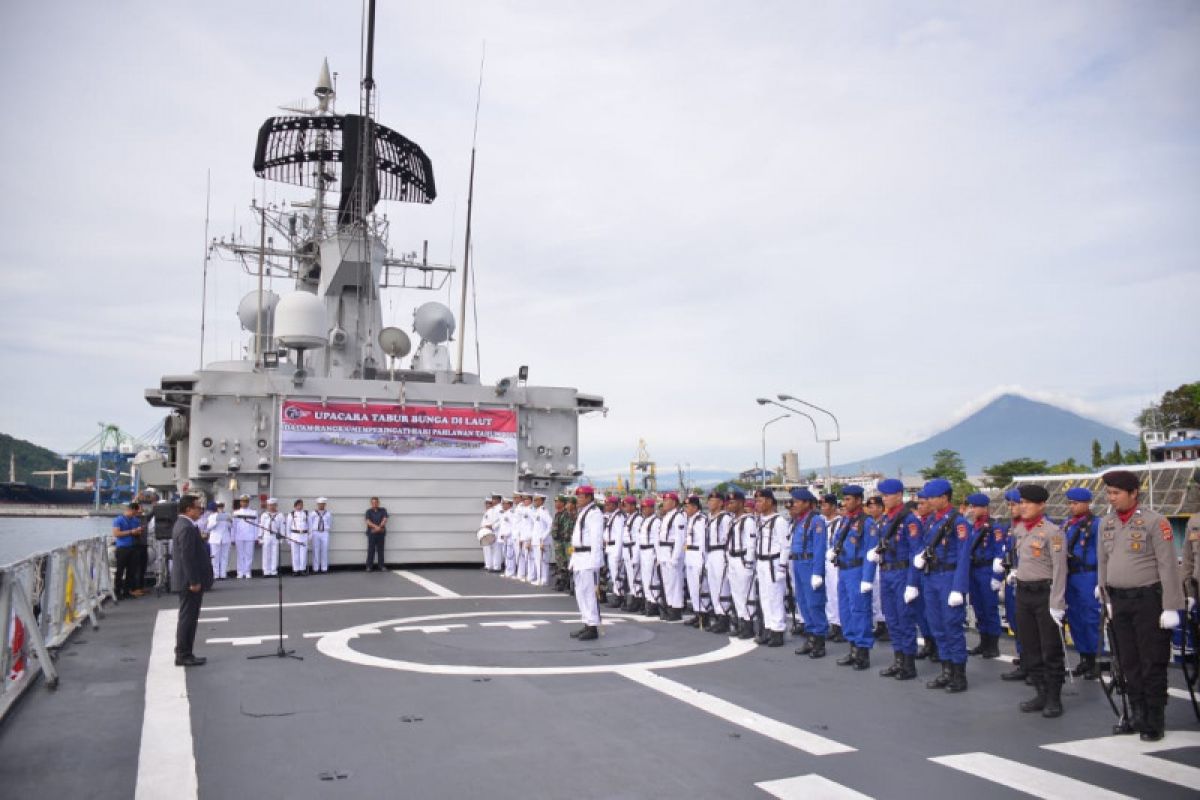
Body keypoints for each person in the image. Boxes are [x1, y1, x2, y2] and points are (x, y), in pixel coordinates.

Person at [1098, 469, 1184, 741]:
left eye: (1116, 493)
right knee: (1127, 661)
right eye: (1109, 493)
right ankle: (1135, 713)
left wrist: (1171, 606)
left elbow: (1168, 566)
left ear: (1134, 493)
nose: (1111, 498)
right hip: (1119, 601)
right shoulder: (1107, 523)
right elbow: (1104, 562)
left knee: (1152, 661)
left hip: (1148, 601)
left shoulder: (1155, 522)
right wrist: (1106, 597)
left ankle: (1154, 719)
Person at [1010, 484, 1068, 718]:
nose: (1022, 506)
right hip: (1023, 593)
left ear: (1042, 505)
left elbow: (1060, 570)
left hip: (1045, 594)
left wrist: (1057, 603)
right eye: (1021, 502)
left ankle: (1054, 698)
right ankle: (1040, 692)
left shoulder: (1053, 532)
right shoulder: (1021, 530)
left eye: (1028, 502)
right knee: (1030, 646)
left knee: (1050, 648)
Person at [911, 479, 970, 693]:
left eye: (932, 497)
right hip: (931, 576)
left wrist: (958, 588)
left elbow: (964, 557)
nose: (927, 501)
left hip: (948, 577)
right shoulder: (931, 521)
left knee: (952, 626)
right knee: (936, 625)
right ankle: (946, 670)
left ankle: (958, 674)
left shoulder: (958, 522)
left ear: (944, 497)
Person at [869, 479, 922, 680]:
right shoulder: (885, 520)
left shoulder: (909, 520)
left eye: (887, 495)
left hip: (902, 572)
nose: (884, 499)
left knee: (904, 618)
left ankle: (908, 663)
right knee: (891, 618)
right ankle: (898, 659)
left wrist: (912, 583)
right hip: (886, 571)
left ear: (899, 495)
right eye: (882, 495)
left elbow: (916, 553)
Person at [828, 485, 877, 669]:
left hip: (857, 570)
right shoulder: (844, 521)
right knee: (845, 611)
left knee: (860, 611)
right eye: (845, 499)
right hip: (844, 569)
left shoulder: (867, 522)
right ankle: (853, 648)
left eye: (849, 499)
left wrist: (867, 578)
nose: (845, 502)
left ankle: (863, 652)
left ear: (858, 500)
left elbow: (871, 551)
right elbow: (838, 541)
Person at [1062, 487, 1102, 679]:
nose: (1072, 506)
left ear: (1087, 503)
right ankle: (1084, 658)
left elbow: (1104, 554)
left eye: (1076, 503)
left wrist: (1101, 581)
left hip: (1088, 575)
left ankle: (1095, 660)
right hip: (1071, 575)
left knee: (1090, 618)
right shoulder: (1067, 525)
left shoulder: (1096, 524)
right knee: (1075, 618)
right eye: (1070, 503)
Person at [171, 494, 213, 667]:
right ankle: (183, 654)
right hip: (189, 582)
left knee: (188, 618)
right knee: (188, 618)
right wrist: (194, 581)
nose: (200, 511)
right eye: (198, 508)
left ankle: (186, 652)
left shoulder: (185, 525)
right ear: (188, 509)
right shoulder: (186, 527)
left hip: (188, 580)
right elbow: (187, 557)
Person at [790, 488, 829, 659]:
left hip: (810, 563)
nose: (794, 505)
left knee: (815, 603)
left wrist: (818, 572)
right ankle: (811, 635)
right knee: (803, 602)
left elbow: (820, 548)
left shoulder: (816, 520)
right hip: (798, 563)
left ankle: (819, 640)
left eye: (798, 502)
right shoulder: (799, 520)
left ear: (807, 503)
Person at [964, 493, 1003, 659]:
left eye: (975, 507)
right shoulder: (973, 527)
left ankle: (993, 645)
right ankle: (983, 641)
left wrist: (997, 576)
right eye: (971, 507)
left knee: (990, 608)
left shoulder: (994, 527)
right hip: (974, 570)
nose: (972, 510)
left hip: (987, 570)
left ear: (984, 508)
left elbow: (999, 552)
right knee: (978, 607)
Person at [753, 488, 790, 647]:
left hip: (773, 563)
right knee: (765, 598)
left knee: (775, 598)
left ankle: (778, 631)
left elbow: (785, 546)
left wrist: (782, 567)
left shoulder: (779, 521)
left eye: (760, 501)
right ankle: (768, 628)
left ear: (769, 501)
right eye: (756, 501)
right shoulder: (759, 520)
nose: (757, 504)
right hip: (761, 562)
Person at [568, 485, 605, 640]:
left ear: (589, 497)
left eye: (581, 497)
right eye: (578, 497)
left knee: (589, 593)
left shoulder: (594, 513)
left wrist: (596, 561)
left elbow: (596, 539)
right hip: (579, 557)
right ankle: (586, 621)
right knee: (581, 593)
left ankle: (593, 626)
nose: (578, 499)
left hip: (589, 557)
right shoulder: (584, 512)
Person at [725, 490, 758, 639]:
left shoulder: (748, 521)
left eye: (732, 502)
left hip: (742, 559)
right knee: (737, 593)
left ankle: (748, 624)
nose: (729, 505)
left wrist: (749, 562)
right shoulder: (733, 520)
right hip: (732, 559)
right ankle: (740, 621)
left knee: (746, 593)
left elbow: (751, 543)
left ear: (740, 503)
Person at [703, 491, 732, 633]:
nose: (710, 502)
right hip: (711, 553)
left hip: (721, 552)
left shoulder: (725, 518)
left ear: (721, 503)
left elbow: (728, 540)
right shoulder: (709, 518)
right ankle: (717, 614)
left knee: (722, 587)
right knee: (713, 586)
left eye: (713, 500)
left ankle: (724, 617)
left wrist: (727, 558)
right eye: (709, 500)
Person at [657, 492, 687, 621]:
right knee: (667, 583)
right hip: (664, 553)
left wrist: (675, 558)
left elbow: (680, 540)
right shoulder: (667, 517)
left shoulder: (678, 517)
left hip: (671, 553)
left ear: (674, 503)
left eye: (667, 500)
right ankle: (669, 607)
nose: (664, 503)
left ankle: (676, 609)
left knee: (675, 583)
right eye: (664, 500)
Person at [682, 495, 711, 628]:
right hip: (690, 555)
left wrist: (703, 561)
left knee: (701, 587)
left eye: (687, 507)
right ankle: (697, 612)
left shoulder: (701, 520)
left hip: (698, 556)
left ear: (695, 507)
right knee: (693, 587)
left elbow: (703, 542)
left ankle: (704, 615)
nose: (685, 509)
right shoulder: (691, 519)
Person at [820, 494, 844, 642]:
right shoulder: (822, 522)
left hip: (835, 562)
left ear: (834, 507)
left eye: (825, 505)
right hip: (824, 561)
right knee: (828, 594)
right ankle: (833, 623)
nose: (822, 508)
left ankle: (841, 625)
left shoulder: (840, 522)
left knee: (837, 593)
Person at [112, 502, 145, 599]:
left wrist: (139, 531)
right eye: (134, 512)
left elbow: (137, 534)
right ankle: (117, 592)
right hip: (122, 547)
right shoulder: (119, 520)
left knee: (131, 571)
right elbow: (116, 533)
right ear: (130, 510)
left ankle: (127, 591)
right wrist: (131, 532)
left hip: (134, 547)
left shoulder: (136, 520)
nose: (135, 515)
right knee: (120, 570)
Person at [638, 497, 662, 616]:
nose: (643, 510)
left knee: (653, 579)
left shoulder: (656, 521)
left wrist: (657, 556)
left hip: (650, 551)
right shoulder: (644, 520)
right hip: (643, 551)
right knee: (646, 579)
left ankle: (654, 603)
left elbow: (657, 540)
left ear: (652, 508)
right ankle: (648, 602)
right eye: (642, 507)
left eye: (646, 507)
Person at [620, 496, 644, 611]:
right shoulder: (628, 518)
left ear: (633, 506)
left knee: (636, 577)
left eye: (627, 505)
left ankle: (638, 600)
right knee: (630, 577)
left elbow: (638, 539)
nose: (625, 507)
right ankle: (634, 598)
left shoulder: (638, 519)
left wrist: (635, 556)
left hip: (632, 549)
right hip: (626, 549)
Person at [602, 494, 626, 606]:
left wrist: (618, 554)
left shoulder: (619, 517)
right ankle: (618, 595)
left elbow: (620, 536)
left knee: (617, 574)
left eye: (608, 504)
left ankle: (619, 596)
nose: (606, 506)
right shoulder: (613, 516)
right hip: (610, 548)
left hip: (615, 548)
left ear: (613, 505)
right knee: (614, 574)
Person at [530, 493, 554, 586]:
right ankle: (541, 579)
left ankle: (542, 580)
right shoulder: (538, 511)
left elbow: (551, 524)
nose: (534, 502)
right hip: (537, 541)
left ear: (541, 501)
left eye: (536, 500)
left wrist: (543, 537)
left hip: (542, 541)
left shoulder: (543, 511)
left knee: (542, 561)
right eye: (534, 500)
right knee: (538, 561)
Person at [232, 495, 258, 579]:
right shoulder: (236, 513)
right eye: (243, 501)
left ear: (248, 502)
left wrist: (256, 537)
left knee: (249, 555)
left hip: (250, 536)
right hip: (239, 536)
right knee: (240, 555)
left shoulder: (253, 512)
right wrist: (232, 537)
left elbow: (256, 526)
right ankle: (240, 572)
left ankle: (247, 572)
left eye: (246, 501)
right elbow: (233, 526)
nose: (244, 503)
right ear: (240, 502)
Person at [205, 500, 232, 580]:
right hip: (215, 539)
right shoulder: (211, 516)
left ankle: (223, 574)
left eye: (221, 506)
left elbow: (230, 526)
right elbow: (208, 528)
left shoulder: (227, 515)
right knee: (215, 558)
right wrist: (216, 521)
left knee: (224, 557)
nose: (220, 508)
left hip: (225, 538)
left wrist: (229, 520)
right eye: (219, 506)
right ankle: (216, 575)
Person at [552, 495, 574, 590]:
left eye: (558, 501)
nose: (556, 503)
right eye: (555, 501)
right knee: (560, 562)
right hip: (559, 542)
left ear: (562, 503)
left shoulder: (566, 514)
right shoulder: (557, 514)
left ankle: (566, 582)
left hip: (566, 542)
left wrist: (565, 539)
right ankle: (561, 581)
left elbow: (567, 529)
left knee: (567, 562)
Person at [259, 498, 284, 577]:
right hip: (266, 536)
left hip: (275, 536)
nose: (271, 507)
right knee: (266, 554)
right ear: (267, 506)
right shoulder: (264, 515)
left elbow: (282, 527)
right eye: (270, 505)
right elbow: (261, 526)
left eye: (273, 505)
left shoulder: (280, 515)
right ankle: (266, 571)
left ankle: (273, 571)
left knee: (274, 554)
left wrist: (282, 537)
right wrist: (260, 537)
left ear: (276, 506)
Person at [364, 496, 388, 572]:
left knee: (380, 550)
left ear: (378, 503)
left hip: (381, 533)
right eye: (373, 502)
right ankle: (369, 566)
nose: (374, 504)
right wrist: (376, 527)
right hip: (372, 533)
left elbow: (385, 519)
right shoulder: (368, 511)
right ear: (371, 503)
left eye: (376, 502)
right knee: (371, 550)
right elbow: (368, 521)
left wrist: (379, 527)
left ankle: (381, 566)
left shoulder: (383, 510)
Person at [309, 497, 333, 574]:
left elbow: (329, 523)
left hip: (324, 532)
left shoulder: (328, 514)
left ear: (325, 505)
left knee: (324, 550)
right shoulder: (313, 513)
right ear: (317, 504)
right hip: (316, 532)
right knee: (316, 550)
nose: (321, 505)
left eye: (322, 504)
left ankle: (324, 568)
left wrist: (326, 529)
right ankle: (315, 568)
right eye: (319, 504)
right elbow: (310, 523)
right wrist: (311, 533)